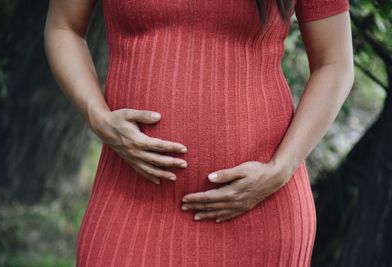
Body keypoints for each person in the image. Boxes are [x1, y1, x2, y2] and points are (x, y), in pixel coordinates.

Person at [44, 0, 354, 266]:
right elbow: (64, 28)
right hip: (130, 199)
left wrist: (281, 168)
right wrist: (97, 116)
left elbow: (335, 63)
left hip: (259, 208)